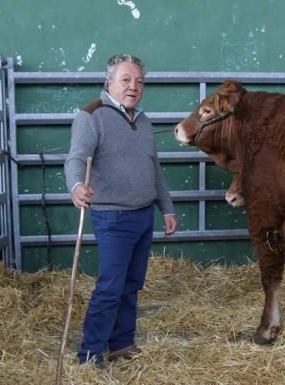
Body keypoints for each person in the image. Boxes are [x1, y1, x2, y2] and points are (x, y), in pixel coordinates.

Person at [64, 53, 177, 365]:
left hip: (143, 215)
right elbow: (75, 158)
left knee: (131, 284)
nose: (133, 86)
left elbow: (154, 169)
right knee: (110, 287)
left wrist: (166, 208)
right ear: (109, 82)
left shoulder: (142, 120)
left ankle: (122, 344)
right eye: (126, 80)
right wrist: (76, 186)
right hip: (112, 216)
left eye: (139, 81)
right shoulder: (91, 116)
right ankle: (89, 354)